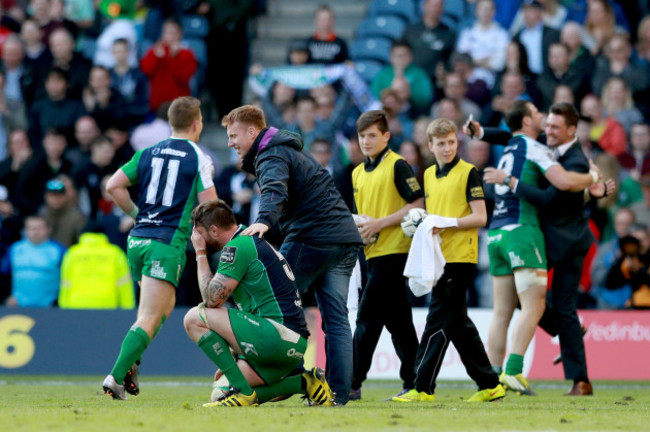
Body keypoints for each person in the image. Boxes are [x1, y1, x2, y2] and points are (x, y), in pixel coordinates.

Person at [221, 105, 362, 405]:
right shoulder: (286, 149)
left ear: (251, 132)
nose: (230, 143)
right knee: (337, 319)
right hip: (345, 238)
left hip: (312, 236)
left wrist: (265, 220)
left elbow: (274, 189)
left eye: (233, 136)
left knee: (274, 303)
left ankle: (290, 379)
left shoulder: (270, 153)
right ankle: (336, 394)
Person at [483, 103, 608, 396]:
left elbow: (551, 198)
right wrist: (481, 132)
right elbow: (512, 136)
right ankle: (503, 373)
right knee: (522, 302)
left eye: (554, 127)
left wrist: (511, 181)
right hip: (538, 238)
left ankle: (581, 381)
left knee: (560, 307)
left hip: (566, 243)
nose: (548, 130)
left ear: (571, 131)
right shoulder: (541, 147)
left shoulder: (578, 161)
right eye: (547, 124)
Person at [102, 96, 218, 400]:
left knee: (157, 309)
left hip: (138, 241)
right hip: (165, 244)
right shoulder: (198, 156)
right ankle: (115, 377)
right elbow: (211, 209)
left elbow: (113, 185)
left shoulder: (146, 153)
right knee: (152, 316)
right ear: (196, 124)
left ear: (171, 122)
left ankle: (133, 365)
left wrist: (136, 214)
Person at [393, 118, 504, 403]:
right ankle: (490, 384)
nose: (447, 148)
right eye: (441, 144)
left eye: (452, 142)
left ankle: (422, 387)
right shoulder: (428, 174)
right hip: (438, 257)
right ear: (430, 146)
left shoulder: (469, 173)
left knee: (437, 321)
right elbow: (432, 216)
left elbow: (480, 217)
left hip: (460, 258)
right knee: (459, 325)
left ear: (458, 143)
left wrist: (446, 223)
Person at [183, 199, 334, 407]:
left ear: (214, 230)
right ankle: (304, 382)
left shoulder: (237, 246)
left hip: (276, 338)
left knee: (193, 318)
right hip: (290, 344)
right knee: (220, 392)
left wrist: (200, 253)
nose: (197, 238)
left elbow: (211, 300)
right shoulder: (250, 240)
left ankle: (243, 394)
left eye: (199, 233)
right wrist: (234, 357)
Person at [349, 110, 422, 400]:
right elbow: (363, 217)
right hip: (371, 254)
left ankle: (350, 382)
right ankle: (417, 380)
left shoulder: (398, 166)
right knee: (398, 322)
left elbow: (418, 203)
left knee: (366, 317)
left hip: (394, 251)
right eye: (362, 136)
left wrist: (380, 224)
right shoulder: (356, 172)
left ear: (386, 136)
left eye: (372, 135)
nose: (366, 141)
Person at [58, 227, 135, 309]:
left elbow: (65, 284)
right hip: (108, 307)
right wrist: (128, 309)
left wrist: (63, 309)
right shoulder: (116, 253)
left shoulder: (72, 253)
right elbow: (125, 285)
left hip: (76, 307)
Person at [2, 215, 65, 307]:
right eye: (31, 228)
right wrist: (6, 297)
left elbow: (67, 278)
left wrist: (58, 301)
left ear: (48, 229)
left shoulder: (58, 250)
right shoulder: (15, 249)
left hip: (50, 307)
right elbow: (4, 275)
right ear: (25, 230)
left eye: (39, 228)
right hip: (18, 306)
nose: (35, 232)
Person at [140, 18, 197, 112]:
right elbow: (145, 72)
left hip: (180, 107)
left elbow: (184, 79)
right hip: (157, 106)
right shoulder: (154, 51)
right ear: (162, 34)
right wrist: (156, 58)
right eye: (168, 32)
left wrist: (174, 58)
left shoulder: (187, 54)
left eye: (174, 33)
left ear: (180, 34)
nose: (171, 36)